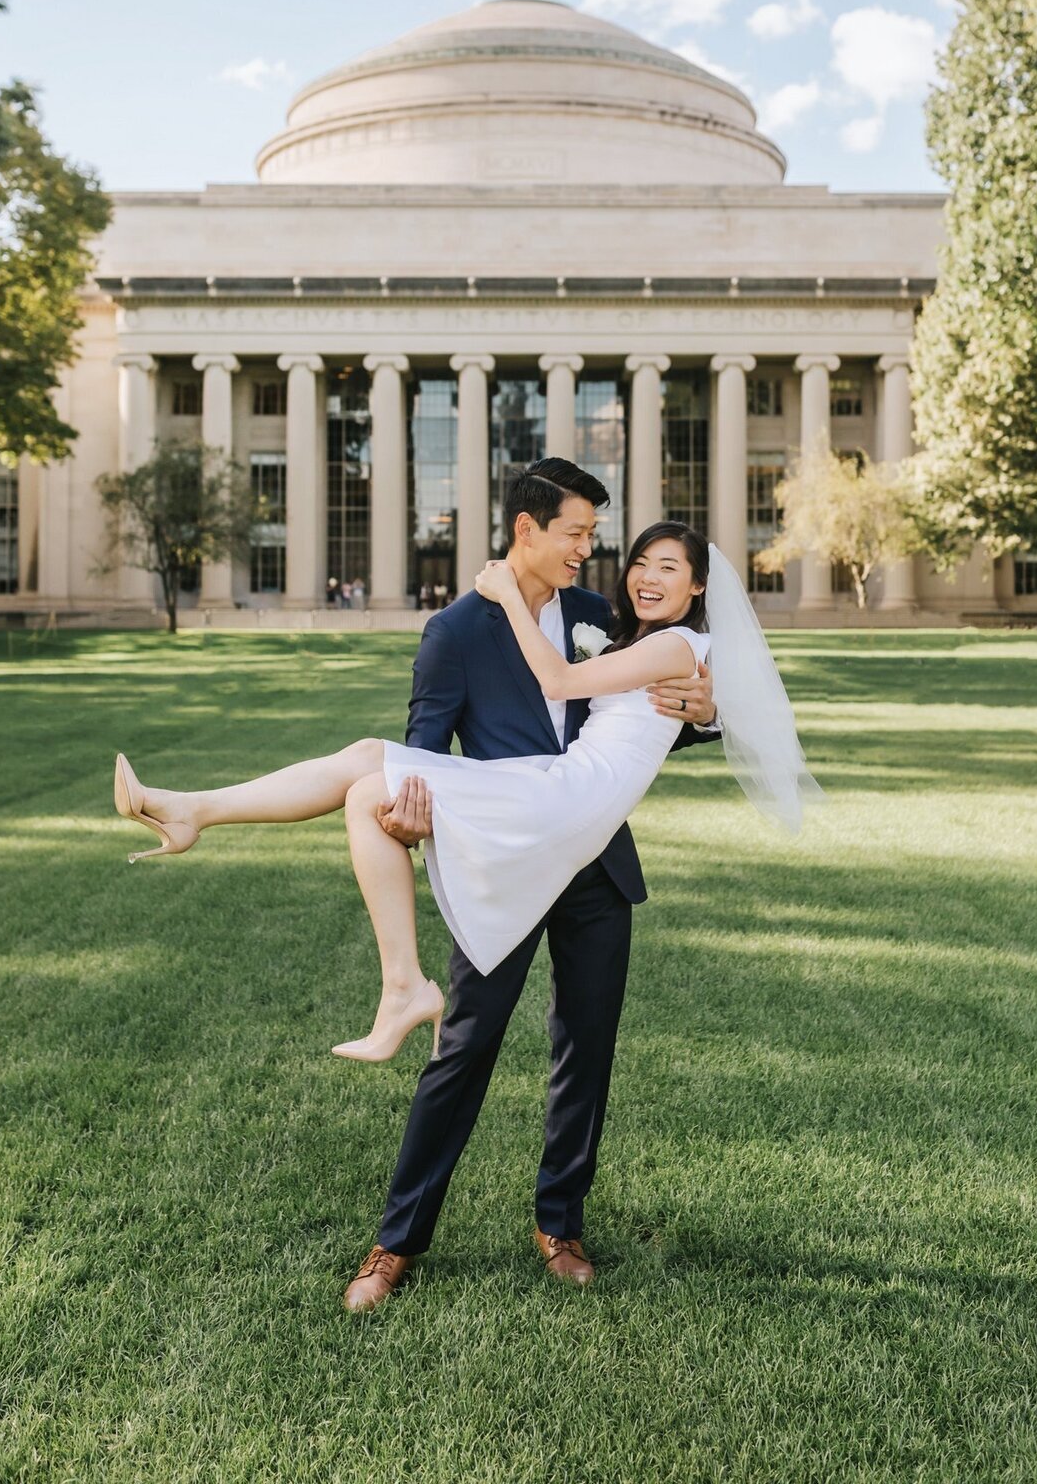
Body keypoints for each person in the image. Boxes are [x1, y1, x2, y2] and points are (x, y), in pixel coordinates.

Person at [113, 459, 818, 1310]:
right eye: (578, 534)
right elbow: (426, 742)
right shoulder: (456, 631)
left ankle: (560, 1225)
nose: (593, 556)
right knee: (462, 1049)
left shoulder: (608, 616)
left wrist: (705, 710)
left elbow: (678, 708)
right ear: (528, 530)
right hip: (508, 846)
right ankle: (395, 1242)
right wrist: (408, 824)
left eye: (599, 539)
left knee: (583, 1053)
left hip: (595, 861)